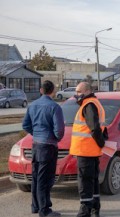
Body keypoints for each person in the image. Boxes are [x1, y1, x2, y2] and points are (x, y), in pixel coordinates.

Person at [22, 80, 65, 217]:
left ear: (41, 90)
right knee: (45, 179)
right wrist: (55, 138)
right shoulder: (55, 107)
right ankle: (44, 210)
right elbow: (59, 130)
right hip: (48, 146)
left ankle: (35, 206)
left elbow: (25, 125)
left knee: (36, 177)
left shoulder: (32, 105)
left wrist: (36, 134)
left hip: (36, 145)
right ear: (53, 91)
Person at [70, 82, 107, 217]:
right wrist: (101, 142)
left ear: (86, 91)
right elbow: (100, 126)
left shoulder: (89, 105)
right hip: (91, 151)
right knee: (93, 181)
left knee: (85, 182)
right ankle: (94, 209)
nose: (76, 94)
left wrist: (101, 142)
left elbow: (94, 128)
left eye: (78, 92)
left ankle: (85, 211)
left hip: (86, 151)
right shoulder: (94, 103)